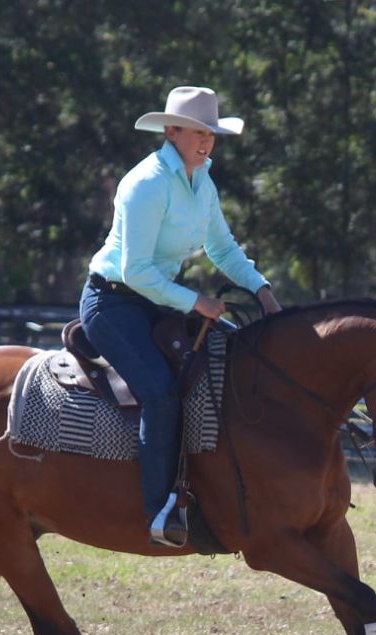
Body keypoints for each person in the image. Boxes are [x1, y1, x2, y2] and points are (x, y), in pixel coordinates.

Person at [83, 86, 280, 548]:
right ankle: (158, 512)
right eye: (196, 132)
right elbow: (136, 271)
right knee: (162, 391)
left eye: (210, 133)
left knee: (226, 363)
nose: (205, 141)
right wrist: (196, 302)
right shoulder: (147, 184)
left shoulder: (201, 182)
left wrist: (262, 289)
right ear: (171, 131)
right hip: (113, 303)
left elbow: (223, 248)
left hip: (157, 300)